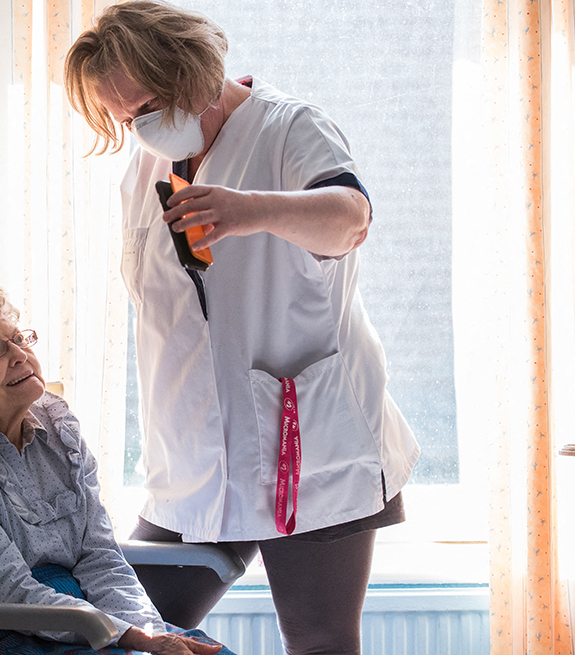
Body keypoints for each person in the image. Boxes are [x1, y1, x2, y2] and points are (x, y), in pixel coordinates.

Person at [64, 3, 421, 654]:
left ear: (190, 70)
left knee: (319, 641)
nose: (141, 128)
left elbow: (349, 217)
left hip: (308, 449)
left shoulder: (289, 129)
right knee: (116, 629)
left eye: (146, 106)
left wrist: (250, 210)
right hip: (196, 459)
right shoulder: (145, 170)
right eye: (125, 119)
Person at [0, 283, 234, 655]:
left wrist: (147, 632)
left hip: (76, 612)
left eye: (19, 339)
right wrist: (126, 636)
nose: (20, 355)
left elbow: (100, 555)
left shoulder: (58, 429)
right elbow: (3, 588)